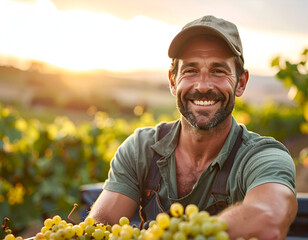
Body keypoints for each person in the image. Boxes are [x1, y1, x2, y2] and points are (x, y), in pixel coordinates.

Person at [88, 15, 297, 240]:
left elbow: (266, 219)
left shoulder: (263, 157)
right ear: (172, 81)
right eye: (190, 70)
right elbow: (102, 226)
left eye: (218, 71)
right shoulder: (141, 149)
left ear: (241, 83)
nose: (203, 85)